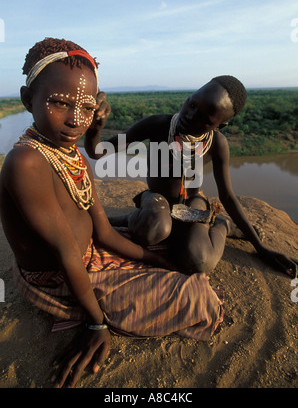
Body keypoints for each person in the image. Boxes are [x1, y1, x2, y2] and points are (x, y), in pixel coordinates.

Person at [0, 38, 225, 389]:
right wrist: (95, 324)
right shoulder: (25, 161)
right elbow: (64, 252)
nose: (76, 119)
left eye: (86, 108)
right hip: (59, 274)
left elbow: (102, 232)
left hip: (87, 251)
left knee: (176, 259)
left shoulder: (70, 154)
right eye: (60, 103)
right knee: (197, 298)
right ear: (29, 99)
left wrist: (155, 261)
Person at [85, 76, 298, 278]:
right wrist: (95, 128)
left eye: (204, 118)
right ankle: (132, 218)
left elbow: (228, 196)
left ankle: (222, 224)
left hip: (192, 203)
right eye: (192, 104)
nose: (190, 115)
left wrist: (260, 248)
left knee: (198, 262)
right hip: (157, 198)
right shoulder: (157, 125)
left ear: (219, 126)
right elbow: (97, 152)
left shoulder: (217, 144)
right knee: (152, 230)